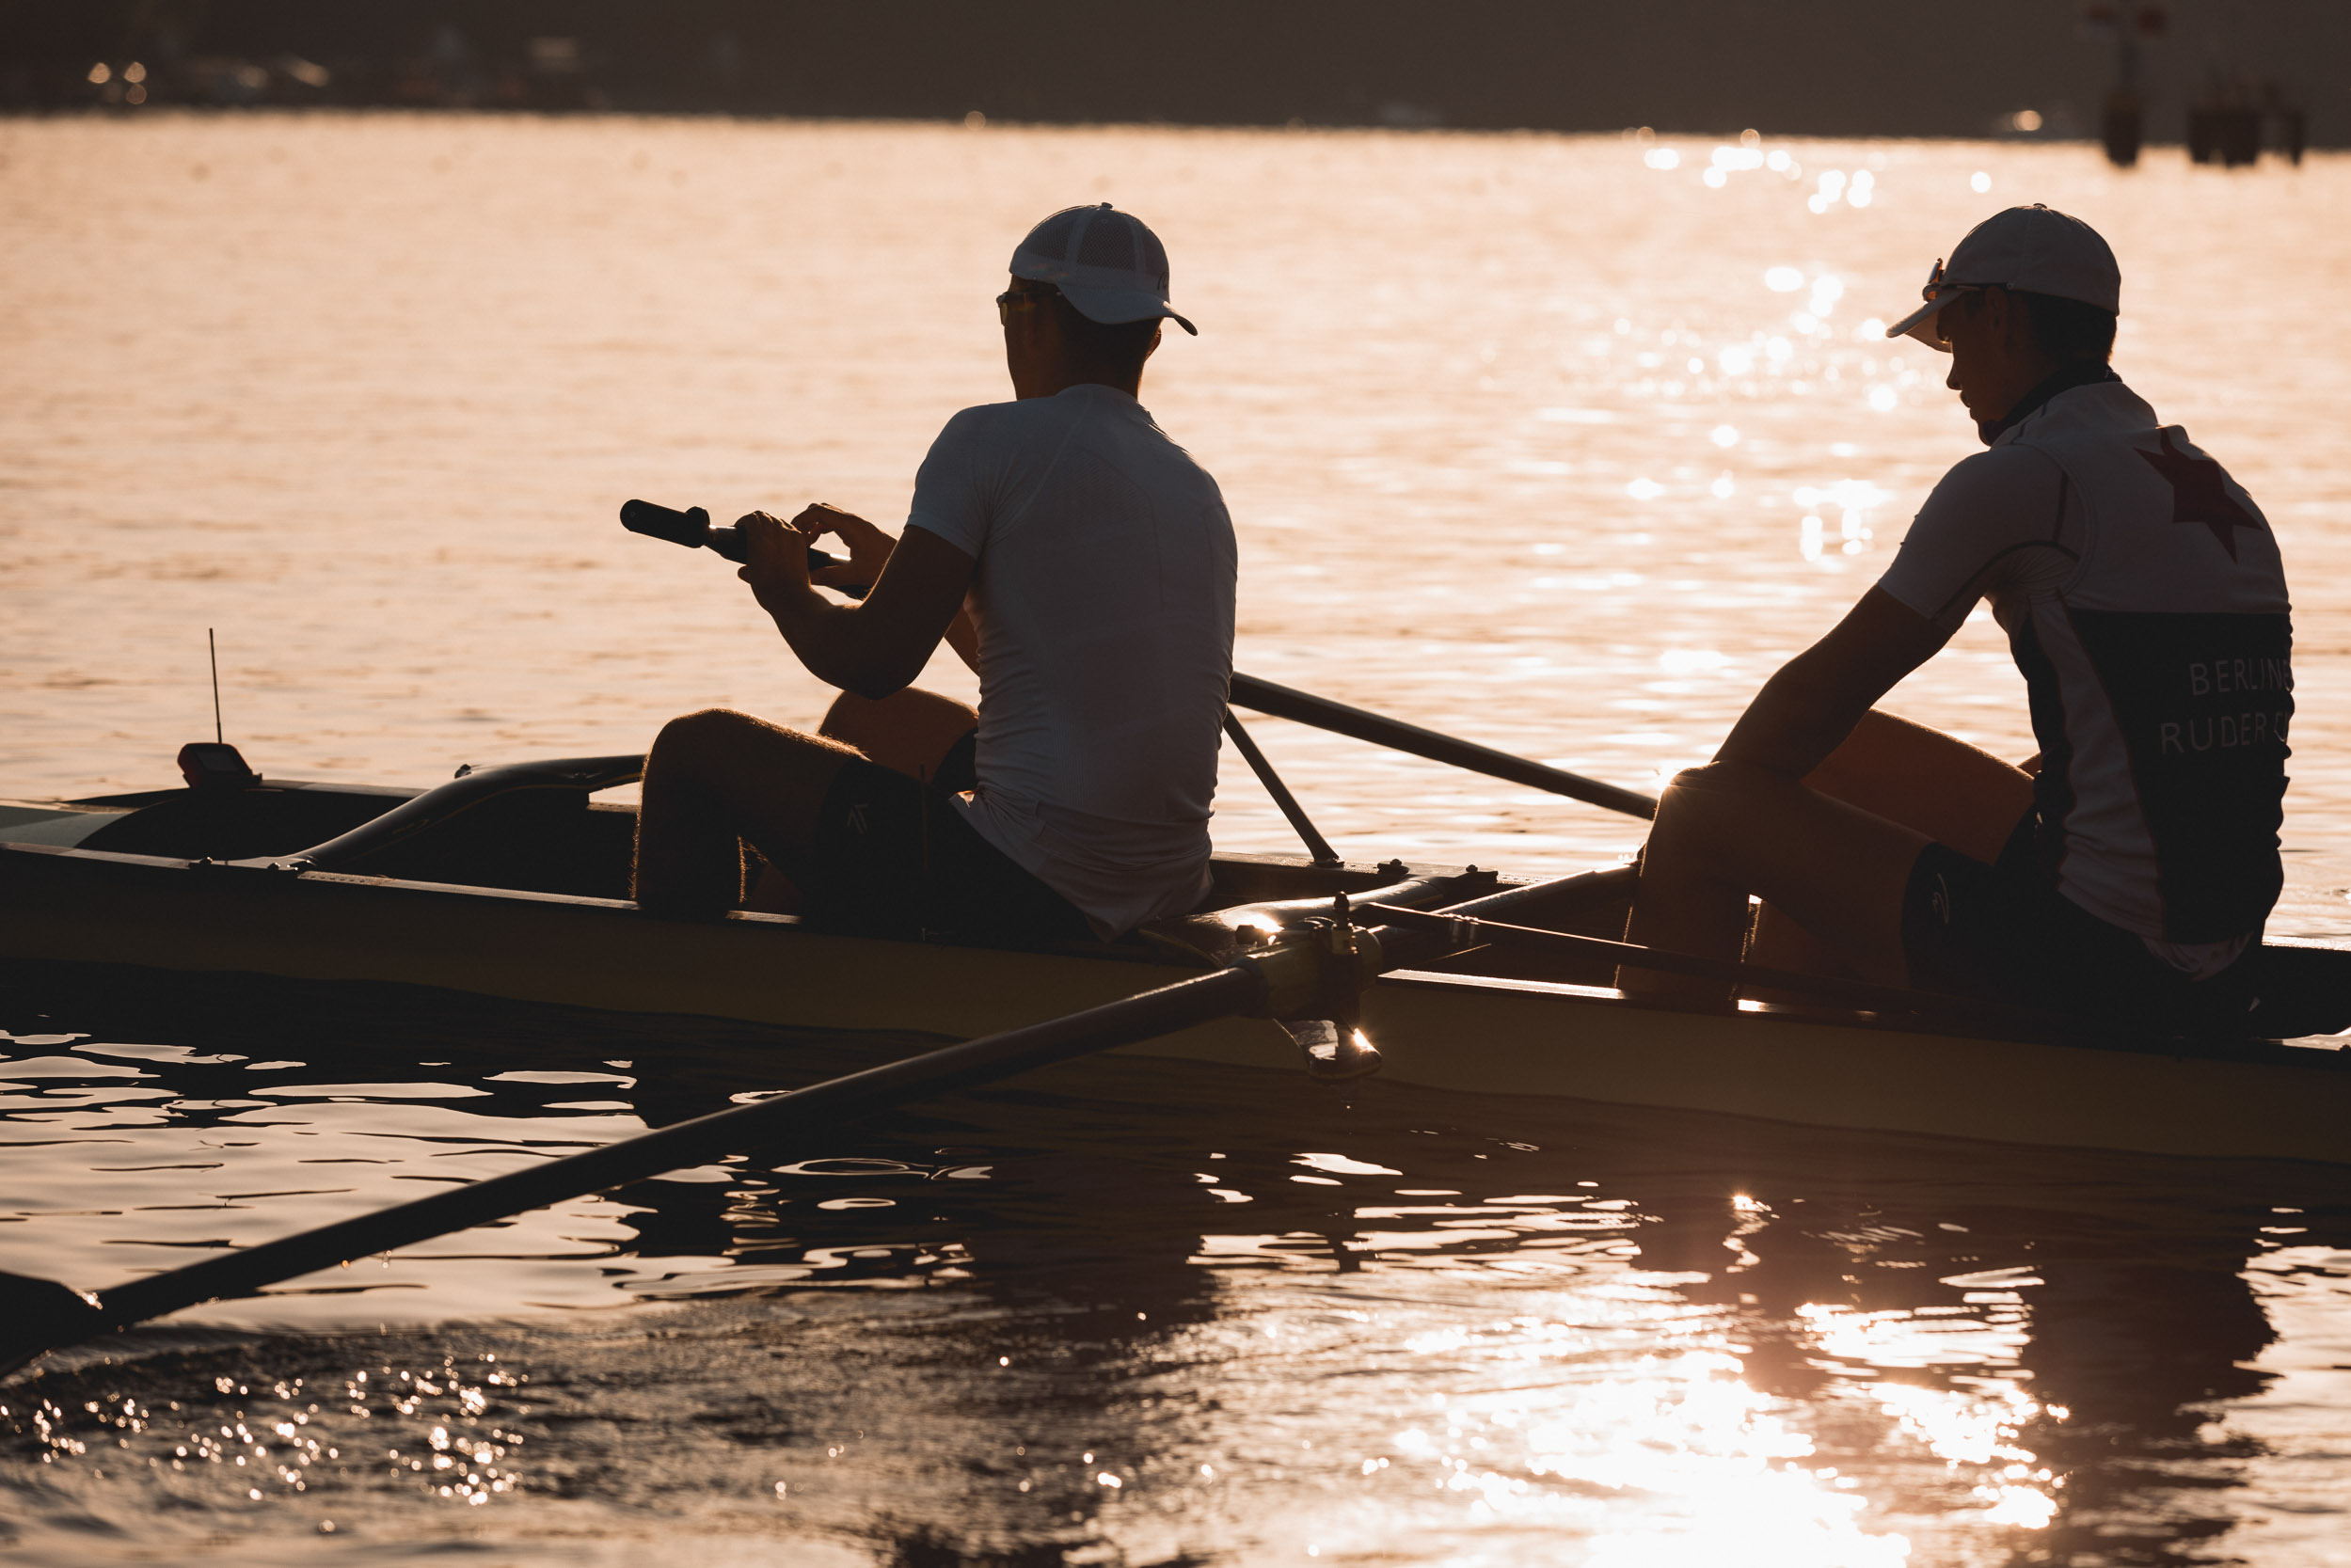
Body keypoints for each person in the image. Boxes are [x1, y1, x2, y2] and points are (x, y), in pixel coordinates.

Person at [1623, 204, 2293, 1021]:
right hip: (2217, 955)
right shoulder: (2215, 493)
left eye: (1953, 337)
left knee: (1703, 806)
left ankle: (1673, 1079)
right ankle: (1794, 1036)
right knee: (1844, 761)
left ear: (2002, 315)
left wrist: (1686, 839)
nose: (1950, 377)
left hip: (2103, 968)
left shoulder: (2025, 479)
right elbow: (2165, 744)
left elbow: (1809, 701)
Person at [632, 203, 1238, 945]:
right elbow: (1047, 660)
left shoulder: (987, 438)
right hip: (1167, 884)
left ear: (1031, 316)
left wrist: (782, 587)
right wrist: (902, 576)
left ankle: (696, 1000)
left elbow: (872, 660)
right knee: (871, 723)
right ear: (1150, 335)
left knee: (694, 749)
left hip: (1031, 889)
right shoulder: (1193, 485)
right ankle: (787, 934)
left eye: (1008, 304)